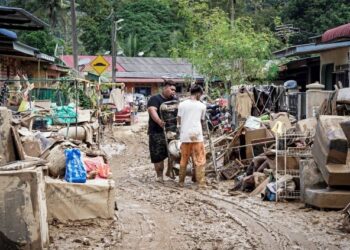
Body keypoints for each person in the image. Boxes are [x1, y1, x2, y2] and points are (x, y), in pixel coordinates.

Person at [177, 85, 207, 188]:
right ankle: (201, 183)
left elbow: (179, 120)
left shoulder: (182, 104)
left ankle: (181, 182)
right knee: (200, 159)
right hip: (197, 136)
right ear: (198, 93)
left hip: (185, 136)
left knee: (184, 158)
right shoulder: (202, 106)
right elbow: (202, 121)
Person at [147, 80, 177, 182]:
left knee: (173, 152)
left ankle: (170, 171)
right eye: (171, 89)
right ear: (165, 88)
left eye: (175, 90)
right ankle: (159, 175)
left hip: (172, 131)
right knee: (158, 155)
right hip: (156, 132)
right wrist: (159, 121)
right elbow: (152, 110)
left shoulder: (175, 100)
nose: (173, 92)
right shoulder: (154, 99)